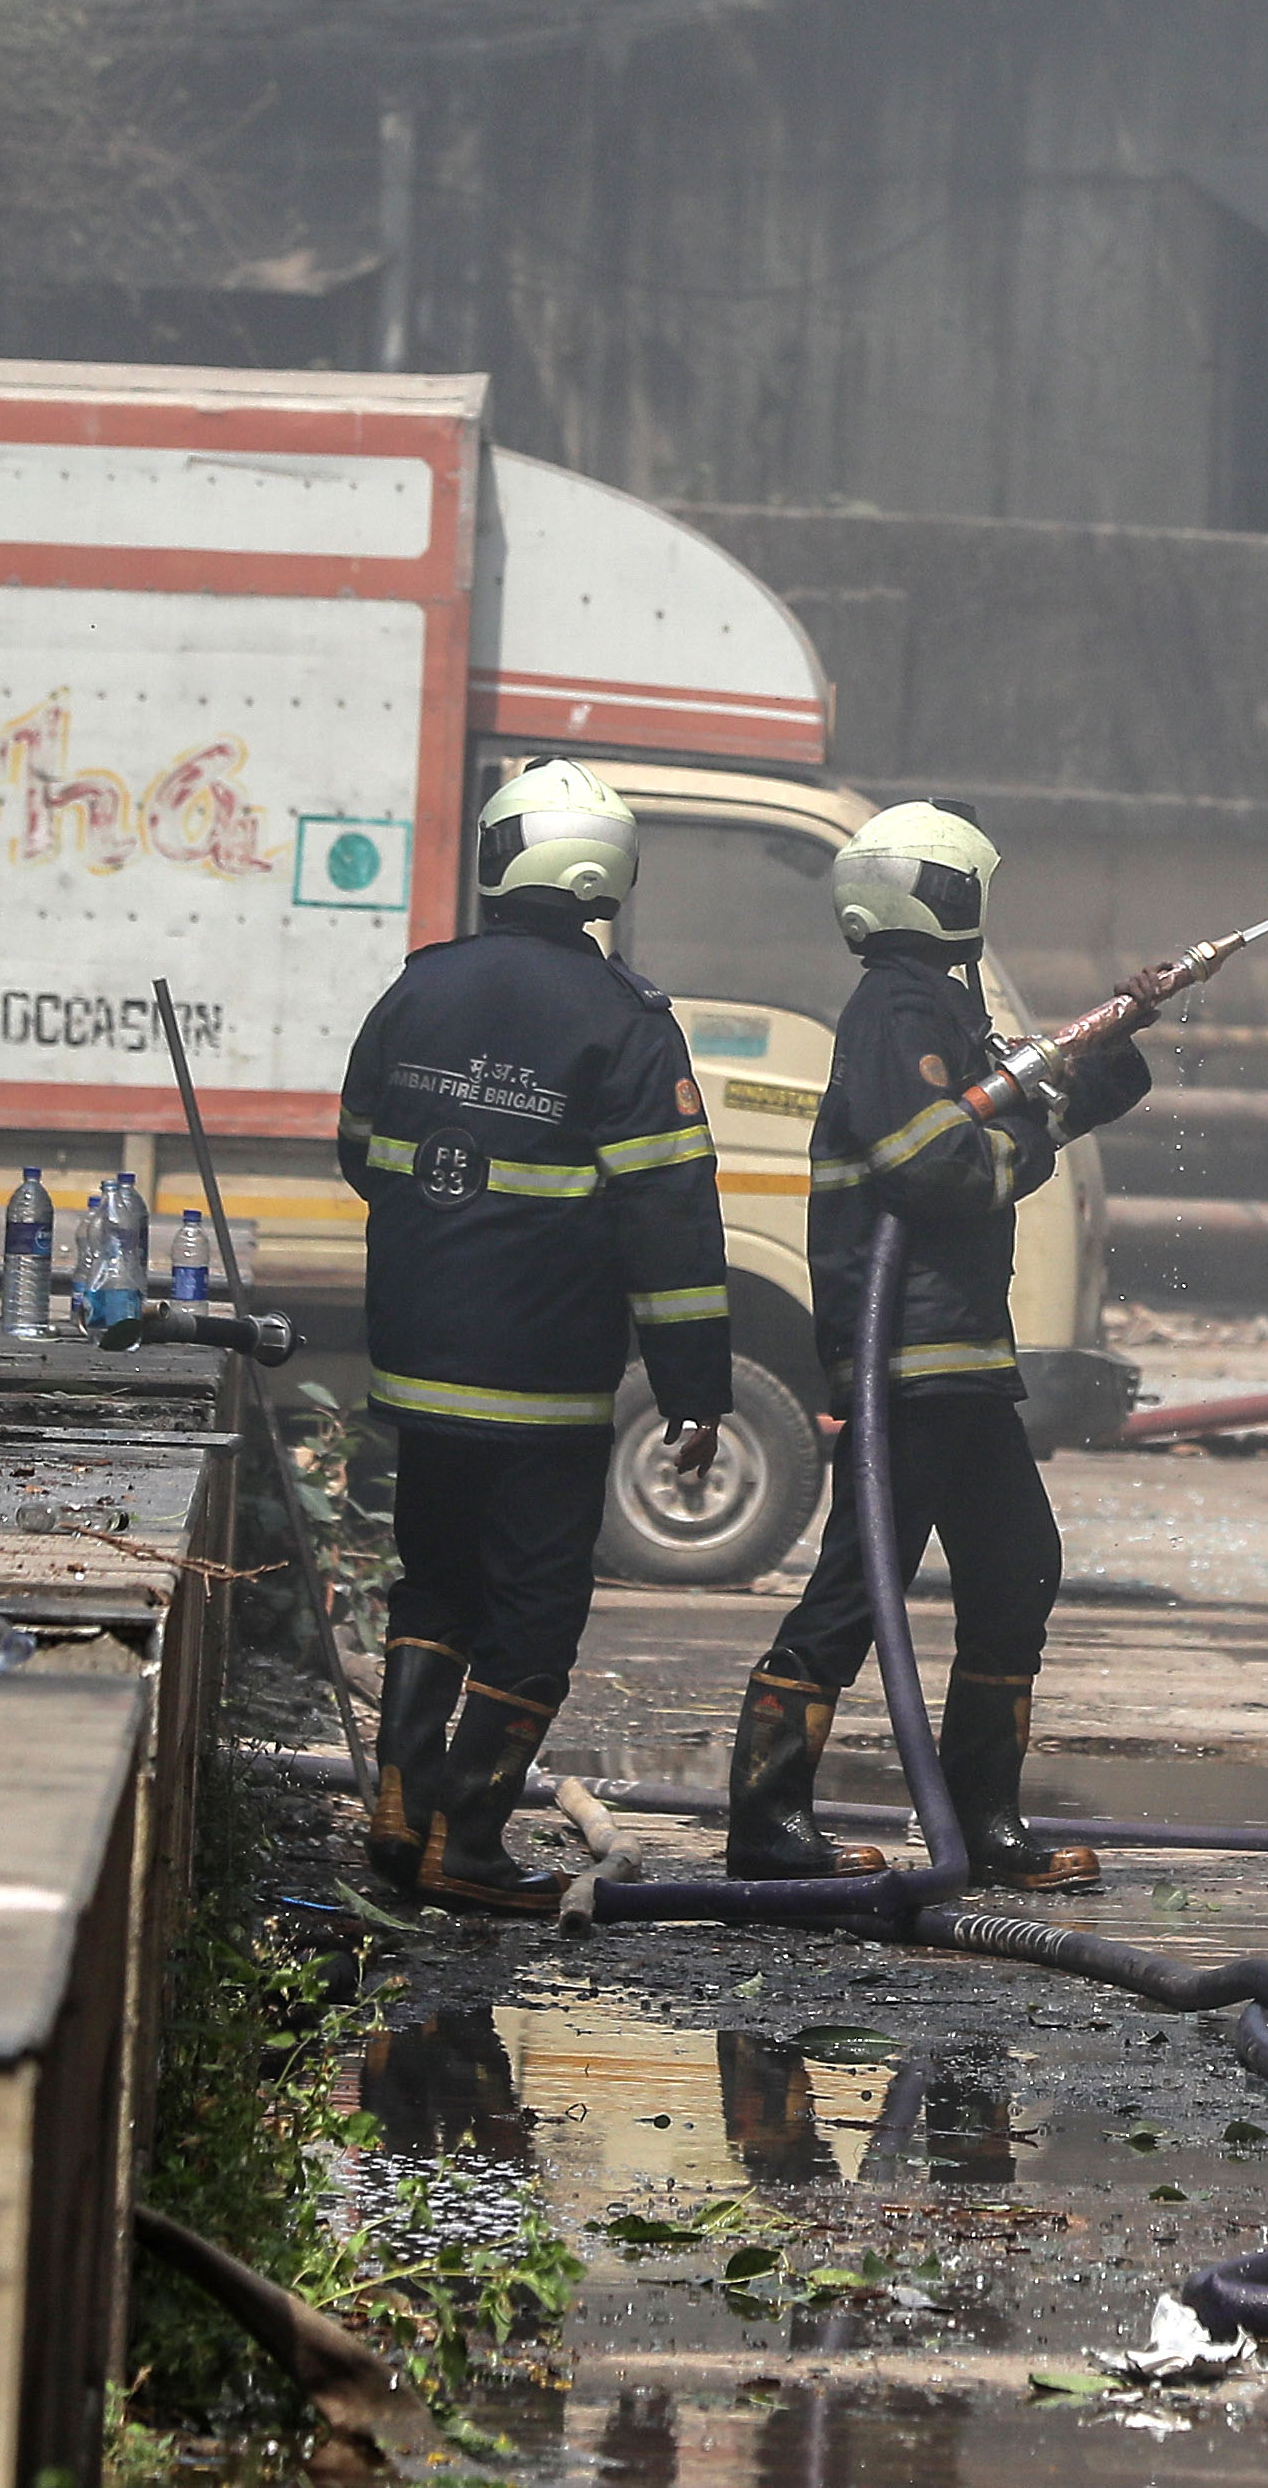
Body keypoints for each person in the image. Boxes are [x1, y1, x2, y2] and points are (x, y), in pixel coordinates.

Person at [722, 800, 1153, 1885]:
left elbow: (1024, 1113)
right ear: (949, 894)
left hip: (955, 1359)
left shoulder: (937, 1013)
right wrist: (1029, 1140)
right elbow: (937, 1167)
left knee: (1016, 1571)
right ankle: (766, 1822)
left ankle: (982, 1825)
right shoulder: (895, 1012)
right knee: (856, 1589)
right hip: (906, 1360)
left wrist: (1110, 1045)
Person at [339, 759, 730, 1912]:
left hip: (420, 1369)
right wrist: (694, 1389)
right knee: (535, 1612)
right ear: (611, 875)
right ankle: (465, 1846)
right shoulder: (627, 1024)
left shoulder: (420, 988)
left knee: (435, 1588)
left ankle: (400, 1807)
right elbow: (670, 1223)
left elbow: (362, 1150)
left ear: (501, 857)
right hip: (546, 1385)